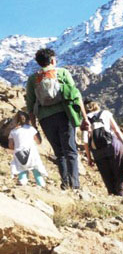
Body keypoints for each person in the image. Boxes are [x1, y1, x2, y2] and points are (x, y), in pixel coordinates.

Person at [25, 48, 89, 190]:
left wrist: (34, 127)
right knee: (70, 151)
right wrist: (85, 118)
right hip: (64, 115)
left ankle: (65, 183)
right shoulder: (62, 73)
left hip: (45, 119)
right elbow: (76, 96)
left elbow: (30, 104)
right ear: (53, 60)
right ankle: (75, 184)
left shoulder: (32, 79)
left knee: (59, 152)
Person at [83, 100, 123, 196]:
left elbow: (85, 141)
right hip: (113, 147)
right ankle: (122, 195)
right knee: (119, 171)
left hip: (97, 151)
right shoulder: (105, 113)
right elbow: (116, 130)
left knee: (106, 174)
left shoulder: (85, 119)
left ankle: (112, 194)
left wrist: (89, 158)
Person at [8, 111, 47, 187]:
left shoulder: (13, 131)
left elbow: (10, 145)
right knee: (36, 168)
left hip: (19, 153)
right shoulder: (31, 129)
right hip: (31, 153)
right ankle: (41, 184)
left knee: (21, 169)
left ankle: (23, 182)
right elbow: (38, 141)